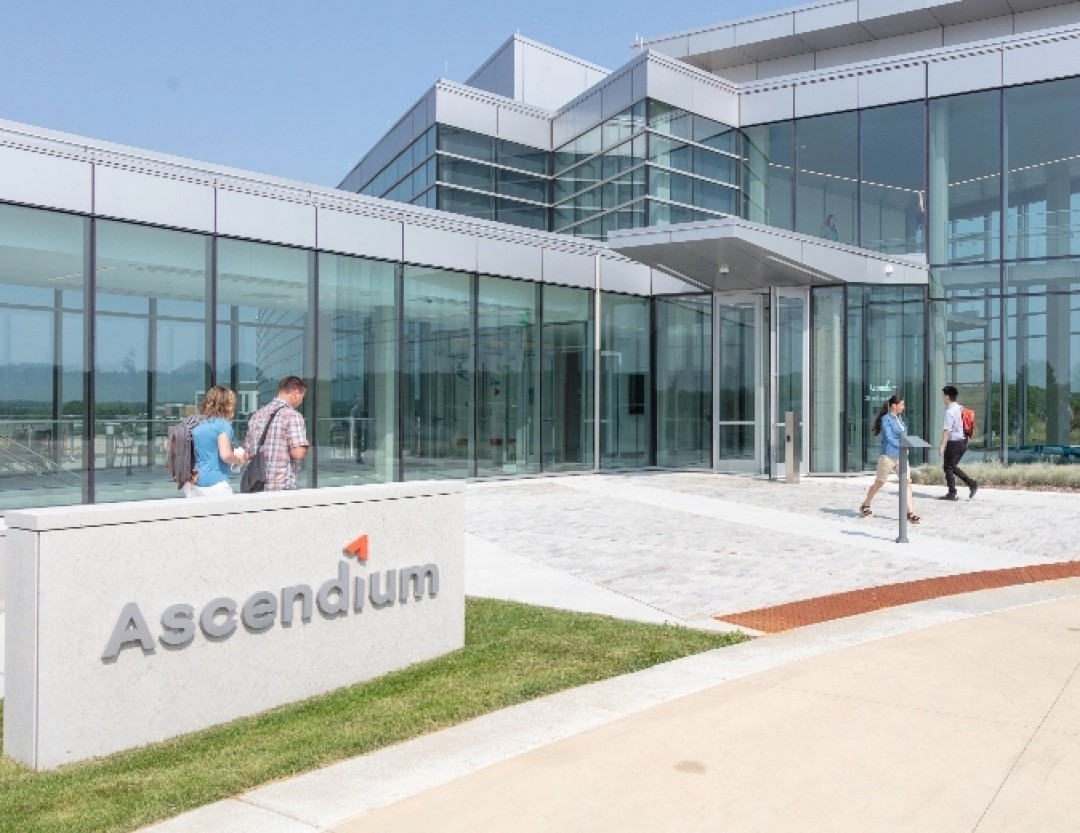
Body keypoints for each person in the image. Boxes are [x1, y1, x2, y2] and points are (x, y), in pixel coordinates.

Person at [859, 394, 919, 524]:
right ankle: (866, 504)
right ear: (894, 406)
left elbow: (903, 435)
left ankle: (910, 513)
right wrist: (901, 445)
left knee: (907, 482)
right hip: (888, 455)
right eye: (901, 404)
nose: (903, 407)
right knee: (880, 482)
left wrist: (906, 445)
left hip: (901, 456)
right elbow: (888, 437)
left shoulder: (900, 419)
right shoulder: (886, 419)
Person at [245, 375, 310, 490]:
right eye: (302, 397)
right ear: (296, 393)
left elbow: (248, 454)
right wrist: (306, 448)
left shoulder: (257, 415)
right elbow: (298, 453)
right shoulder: (292, 415)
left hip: (257, 485)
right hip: (281, 486)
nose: (301, 401)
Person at [184, 385, 247, 498]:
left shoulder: (194, 424)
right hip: (215, 483)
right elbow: (226, 455)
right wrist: (239, 460)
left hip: (193, 480)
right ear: (227, 405)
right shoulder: (222, 425)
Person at [938, 384, 978, 501]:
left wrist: (942, 446)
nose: (942, 398)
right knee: (951, 466)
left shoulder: (949, 411)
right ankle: (970, 484)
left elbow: (947, 431)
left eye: (943, 396)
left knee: (948, 468)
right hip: (963, 441)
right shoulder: (961, 408)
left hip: (954, 442)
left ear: (947, 397)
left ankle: (953, 493)